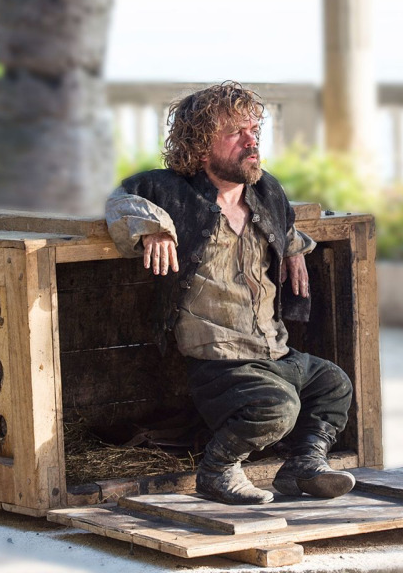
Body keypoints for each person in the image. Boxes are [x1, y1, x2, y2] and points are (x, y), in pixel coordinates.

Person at [105, 81, 355, 506]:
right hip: (221, 361)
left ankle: (304, 464)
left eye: (254, 130)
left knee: (333, 384)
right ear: (201, 145)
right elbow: (120, 202)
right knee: (277, 408)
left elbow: (285, 225)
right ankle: (218, 470)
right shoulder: (168, 190)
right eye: (236, 132)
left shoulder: (266, 190)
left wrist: (293, 248)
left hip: (274, 351)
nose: (251, 140)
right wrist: (154, 229)